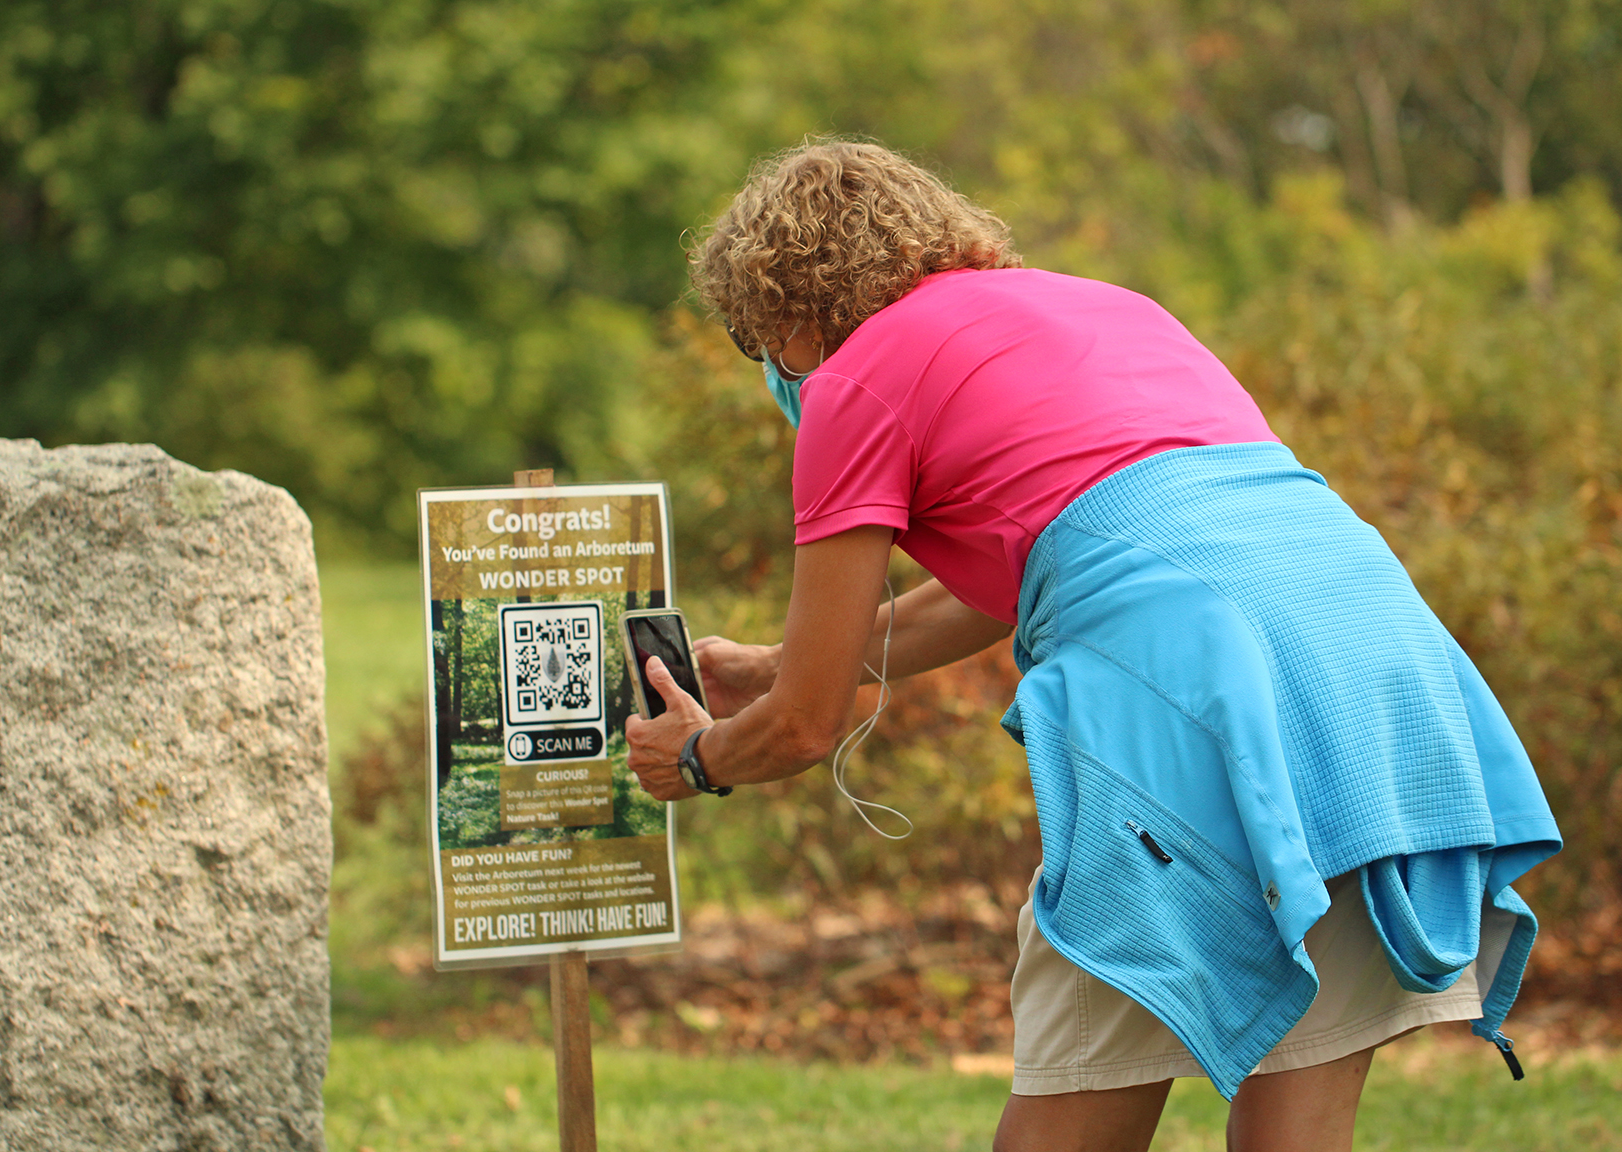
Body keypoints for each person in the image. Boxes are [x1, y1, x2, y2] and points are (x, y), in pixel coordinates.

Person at [623, 140, 1560, 1152]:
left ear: (786, 305)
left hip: (1193, 699)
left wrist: (696, 758)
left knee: (1066, 1128)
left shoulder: (855, 382)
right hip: (1375, 671)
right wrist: (778, 663)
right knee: (1296, 1125)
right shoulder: (1107, 307)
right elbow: (1063, 550)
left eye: (751, 335)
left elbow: (807, 728)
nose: (769, 364)